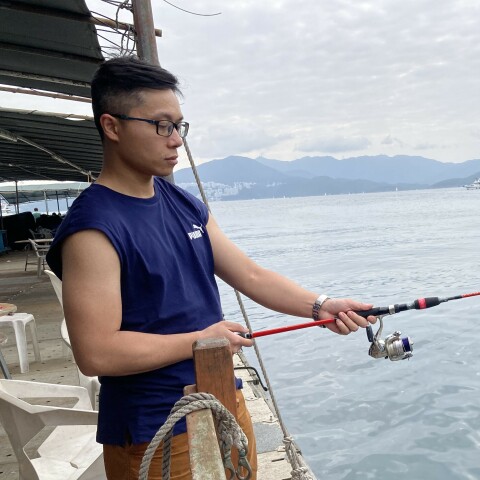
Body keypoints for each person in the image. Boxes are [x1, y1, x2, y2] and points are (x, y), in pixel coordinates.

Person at [46, 56, 377, 480]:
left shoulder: (183, 204)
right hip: (157, 431)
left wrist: (321, 306)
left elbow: (250, 275)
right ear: (112, 126)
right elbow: (96, 352)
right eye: (161, 125)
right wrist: (201, 341)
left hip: (222, 403)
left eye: (179, 126)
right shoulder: (94, 228)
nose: (176, 141)